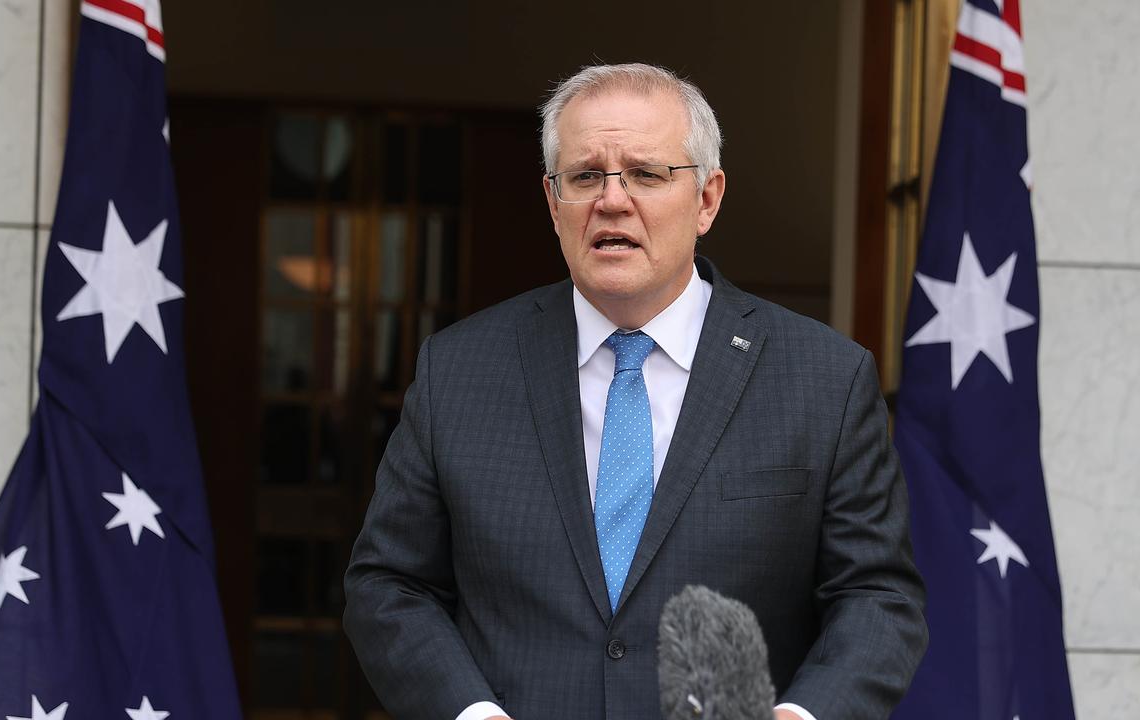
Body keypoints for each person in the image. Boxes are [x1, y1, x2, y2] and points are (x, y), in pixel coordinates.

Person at [344, 63, 927, 720]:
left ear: (708, 199)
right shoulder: (459, 369)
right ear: (551, 201)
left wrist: (801, 716)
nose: (611, 200)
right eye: (585, 176)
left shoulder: (823, 378)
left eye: (646, 174)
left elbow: (877, 597)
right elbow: (390, 584)